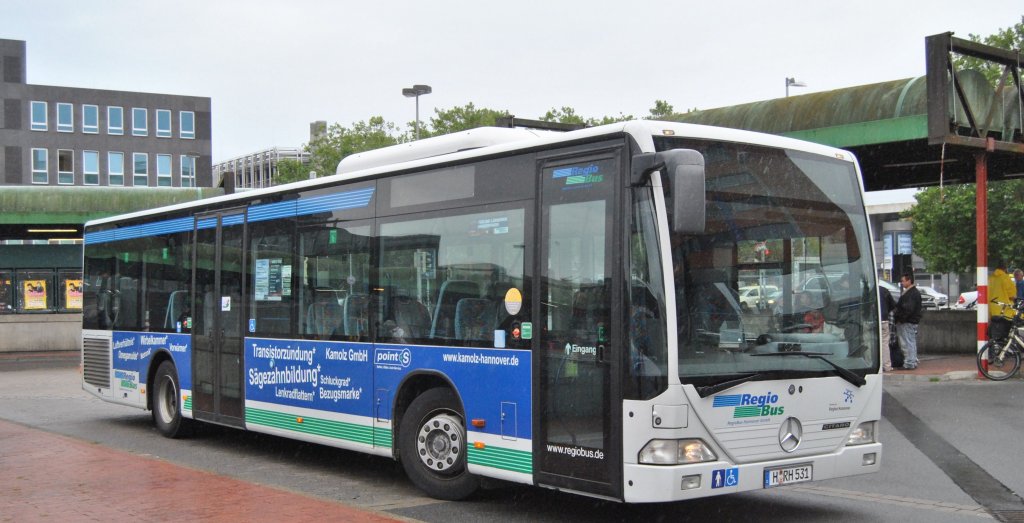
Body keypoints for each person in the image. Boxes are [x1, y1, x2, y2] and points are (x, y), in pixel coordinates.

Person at [893, 274, 922, 370]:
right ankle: (912, 361)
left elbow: (908, 309)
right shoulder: (914, 292)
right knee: (911, 341)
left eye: (903, 281)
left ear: (909, 281)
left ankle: (910, 362)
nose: (902, 283)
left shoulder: (910, 294)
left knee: (908, 342)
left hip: (907, 321)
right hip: (911, 321)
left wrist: (900, 319)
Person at [879, 286, 897, 371]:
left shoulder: (868, 289)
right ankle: (887, 365)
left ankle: (872, 364)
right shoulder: (884, 290)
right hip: (884, 320)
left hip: (872, 320)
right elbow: (893, 305)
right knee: (885, 343)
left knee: (870, 343)